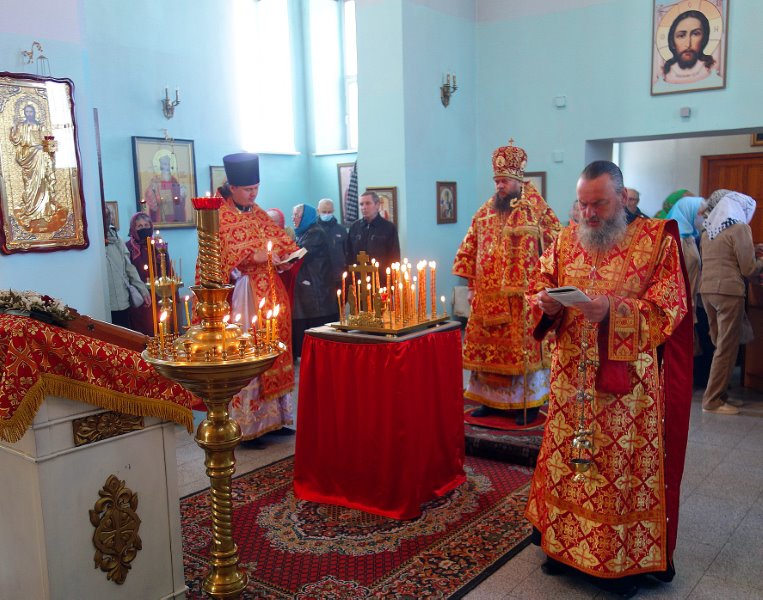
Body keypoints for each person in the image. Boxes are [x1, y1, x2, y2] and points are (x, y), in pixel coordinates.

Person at [527, 161, 692, 597]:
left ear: (621, 197)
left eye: (598, 204)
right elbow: (540, 282)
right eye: (582, 204)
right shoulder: (566, 239)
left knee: (615, 473)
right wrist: (546, 303)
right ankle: (562, 548)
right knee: (568, 465)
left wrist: (613, 311)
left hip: (625, 391)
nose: (589, 214)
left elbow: (668, 310)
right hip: (570, 382)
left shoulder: (656, 241)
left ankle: (619, 565)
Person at [453, 140, 562, 425]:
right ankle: (488, 400)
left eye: (504, 181)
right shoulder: (485, 212)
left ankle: (526, 404)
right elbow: (470, 247)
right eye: (497, 181)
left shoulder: (536, 210)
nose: (499, 186)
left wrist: (546, 285)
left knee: (521, 351)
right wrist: (471, 286)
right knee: (487, 354)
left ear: (518, 180)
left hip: (522, 299)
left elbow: (557, 244)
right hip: (487, 297)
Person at [216, 152, 299, 441]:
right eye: (248, 189)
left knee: (275, 348)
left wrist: (283, 259)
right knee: (251, 349)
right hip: (247, 293)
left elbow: (280, 241)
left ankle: (277, 419)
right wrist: (253, 256)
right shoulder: (221, 216)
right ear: (233, 187)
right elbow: (222, 258)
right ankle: (250, 425)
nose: (254, 194)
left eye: (256, 188)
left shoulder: (257, 213)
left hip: (272, 290)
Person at [699, 190, 763, 415]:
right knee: (726, 348)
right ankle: (712, 401)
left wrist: (752, 251)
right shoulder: (740, 228)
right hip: (728, 292)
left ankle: (720, 395)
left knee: (720, 346)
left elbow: (722, 256)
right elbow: (748, 268)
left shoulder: (709, 230)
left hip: (707, 291)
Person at [291, 203, 336, 358]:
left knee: (318, 333)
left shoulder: (315, 232)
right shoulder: (302, 233)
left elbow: (301, 254)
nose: (293, 218)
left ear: (305, 217)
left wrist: (283, 258)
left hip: (317, 289)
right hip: (308, 288)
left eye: (297, 215)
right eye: (293, 215)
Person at [125, 212, 178, 335]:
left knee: (162, 326)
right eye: (139, 226)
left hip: (160, 293)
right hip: (141, 295)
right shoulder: (129, 247)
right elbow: (128, 272)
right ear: (133, 229)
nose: (144, 228)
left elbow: (168, 268)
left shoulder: (159, 246)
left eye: (146, 225)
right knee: (144, 330)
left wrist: (173, 292)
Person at [9, 102, 58, 228]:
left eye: (31, 111)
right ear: (24, 113)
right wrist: (13, 129)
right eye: (27, 112)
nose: (29, 114)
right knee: (29, 185)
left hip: (40, 156)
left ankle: (44, 211)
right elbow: (16, 139)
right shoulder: (21, 126)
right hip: (28, 157)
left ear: (35, 113)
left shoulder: (41, 126)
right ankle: (30, 212)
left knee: (42, 182)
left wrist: (48, 147)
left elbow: (49, 142)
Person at [104, 205, 150, 329]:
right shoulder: (93, 241)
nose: (106, 218)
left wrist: (143, 290)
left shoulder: (116, 239)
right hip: (105, 302)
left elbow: (129, 268)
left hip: (123, 301)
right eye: (103, 215)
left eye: (108, 215)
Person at [666, 195, 704, 324]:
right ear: (688, 212)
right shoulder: (677, 239)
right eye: (700, 213)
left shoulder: (690, 237)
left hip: (690, 300)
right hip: (679, 304)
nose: (703, 217)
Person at [345, 190, 401, 276]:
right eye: (361, 204)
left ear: (377, 205)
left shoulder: (388, 228)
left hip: (381, 277)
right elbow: (349, 255)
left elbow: (394, 256)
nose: (364, 207)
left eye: (368, 203)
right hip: (358, 277)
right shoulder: (354, 227)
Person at [662, 10, 717, 85]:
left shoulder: (711, 68)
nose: (688, 44)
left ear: (704, 38)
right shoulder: (667, 73)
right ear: (672, 41)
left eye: (695, 34)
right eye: (681, 35)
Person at [143, 150, 187, 224]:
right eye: (164, 164)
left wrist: (182, 194)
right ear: (160, 166)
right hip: (160, 215)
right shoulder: (155, 181)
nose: (167, 167)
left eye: (168, 164)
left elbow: (180, 201)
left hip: (174, 216)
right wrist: (154, 195)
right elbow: (150, 198)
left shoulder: (174, 181)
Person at [316, 198, 348, 294]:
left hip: (337, 276)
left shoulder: (341, 230)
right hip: (319, 277)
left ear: (333, 211)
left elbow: (346, 252)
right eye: (324, 212)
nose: (327, 214)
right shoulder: (313, 230)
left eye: (329, 212)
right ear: (318, 211)